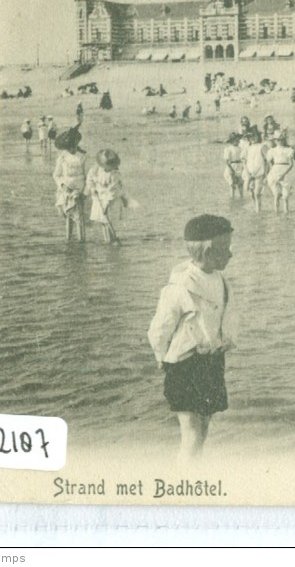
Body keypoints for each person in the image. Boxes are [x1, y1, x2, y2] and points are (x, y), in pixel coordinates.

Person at [147, 214, 235, 467]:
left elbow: (229, 315)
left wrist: (225, 340)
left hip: (211, 362)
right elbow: (160, 328)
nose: (230, 254)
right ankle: (183, 479)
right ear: (208, 251)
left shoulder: (221, 281)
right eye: (225, 248)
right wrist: (160, 356)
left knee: (204, 426)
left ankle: (194, 471)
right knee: (191, 432)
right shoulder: (179, 287)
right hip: (185, 364)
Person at [52, 126, 88, 242]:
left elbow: (87, 175)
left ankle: (81, 241)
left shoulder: (82, 156)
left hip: (79, 189)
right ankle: (68, 240)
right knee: (68, 216)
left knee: (79, 218)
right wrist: (62, 186)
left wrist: (84, 191)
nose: (72, 149)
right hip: (66, 189)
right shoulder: (62, 158)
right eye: (70, 147)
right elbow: (56, 175)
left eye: (74, 146)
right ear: (66, 147)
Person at [86, 149, 127, 244]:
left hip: (111, 200)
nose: (108, 168)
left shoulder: (115, 175)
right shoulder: (96, 169)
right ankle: (107, 240)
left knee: (108, 220)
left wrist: (106, 205)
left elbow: (113, 191)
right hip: (98, 198)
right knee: (102, 221)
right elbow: (89, 179)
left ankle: (111, 239)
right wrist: (92, 188)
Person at [265, 133, 295, 213]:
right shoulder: (271, 150)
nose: (280, 141)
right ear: (275, 141)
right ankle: (277, 213)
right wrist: (268, 174)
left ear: (284, 140)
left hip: (286, 171)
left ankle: (286, 213)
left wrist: (283, 174)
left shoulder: (289, 150)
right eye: (278, 140)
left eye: (282, 139)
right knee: (276, 195)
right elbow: (269, 164)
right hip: (275, 171)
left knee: (285, 197)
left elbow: (291, 164)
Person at [242, 130, 269, 213]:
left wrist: (266, 175)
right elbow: (244, 161)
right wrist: (246, 172)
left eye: (254, 136)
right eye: (250, 137)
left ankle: (258, 211)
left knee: (257, 193)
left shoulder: (262, 146)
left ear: (258, 136)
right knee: (251, 192)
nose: (252, 138)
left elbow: (267, 161)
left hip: (259, 173)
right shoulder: (248, 148)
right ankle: (255, 207)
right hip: (249, 173)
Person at [222, 133, 245, 199]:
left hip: (240, 166)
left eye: (238, 140)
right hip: (232, 166)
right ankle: (232, 197)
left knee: (240, 183)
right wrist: (231, 170)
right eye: (235, 140)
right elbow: (227, 161)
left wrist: (243, 167)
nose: (237, 141)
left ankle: (241, 197)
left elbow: (243, 158)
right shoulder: (228, 149)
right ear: (231, 141)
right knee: (232, 183)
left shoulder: (241, 148)